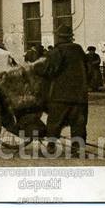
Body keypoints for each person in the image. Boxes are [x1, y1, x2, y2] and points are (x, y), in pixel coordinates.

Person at [37, 25, 88, 156]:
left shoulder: (57, 51)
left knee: (54, 122)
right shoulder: (79, 50)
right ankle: (78, 150)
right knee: (78, 124)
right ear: (70, 37)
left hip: (60, 96)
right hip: (79, 96)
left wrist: (37, 70)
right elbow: (89, 71)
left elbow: (49, 70)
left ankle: (51, 148)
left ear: (58, 37)